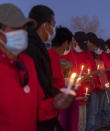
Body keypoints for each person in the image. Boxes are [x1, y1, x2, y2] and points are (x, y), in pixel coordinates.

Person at [0, 3, 71, 131]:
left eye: (23, 27)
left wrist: (55, 103)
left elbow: (38, 105)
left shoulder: (27, 63)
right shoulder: (32, 52)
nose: (22, 33)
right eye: (16, 28)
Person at [25, 5, 72, 130]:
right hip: (38, 117)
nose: (53, 31)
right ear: (45, 26)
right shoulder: (31, 49)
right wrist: (60, 95)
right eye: (53, 25)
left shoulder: (38, 47)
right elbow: (41, 84)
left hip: (46, 111)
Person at [85, 32, 101, 131]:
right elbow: (85, 72)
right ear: (88, 42)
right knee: (90, 115)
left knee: (92, 113)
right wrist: (93, 73)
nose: (95, 47)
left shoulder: (90, 54)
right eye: (93, 44)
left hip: (94, 88)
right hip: (89, 89)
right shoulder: (84, 54)